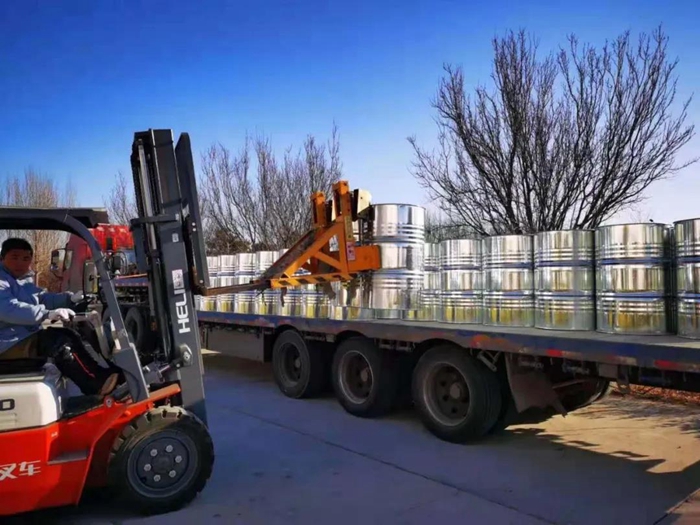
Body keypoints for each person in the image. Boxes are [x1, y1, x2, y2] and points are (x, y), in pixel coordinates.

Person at [0, 237, 119, 396]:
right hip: (7, 342)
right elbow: (8, 308)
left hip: (18, 337)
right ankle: (95, 385)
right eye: (14, 257)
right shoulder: (2, 281)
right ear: (2, 257)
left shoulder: (21, 281)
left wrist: (70, 299)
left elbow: (42, 298)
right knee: (58, 342)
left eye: (26, 258)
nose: (20, 263)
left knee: (69, 333)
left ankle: (103, 375)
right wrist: (46, 314)